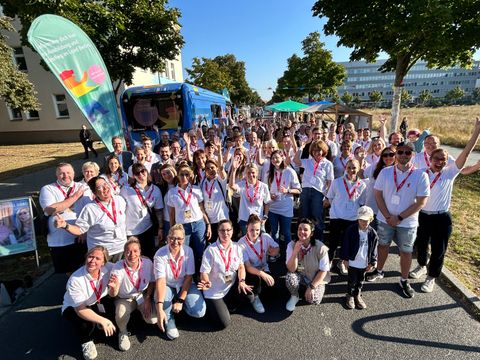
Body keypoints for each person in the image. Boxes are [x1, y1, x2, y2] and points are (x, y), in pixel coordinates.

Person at [409, 118, 480, 292]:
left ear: (447, 161)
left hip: (442, 217)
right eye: (437, 159)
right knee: (422, 244)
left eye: (443, 159)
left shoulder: (450, 173)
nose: (440, 161)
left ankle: (431, 277)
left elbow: (465, 153)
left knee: (439, 249)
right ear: (430, 159)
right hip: (423, 215)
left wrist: (476, 132)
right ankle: (421, 266)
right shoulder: (422, 173)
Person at [367, 142, 430, 299]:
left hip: (407, 222)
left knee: (406, 252)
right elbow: (377, 195)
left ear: (413, 155)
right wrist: (388, 216)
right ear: (396, 153)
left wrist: (400, 217)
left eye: (407, 152)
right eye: (400, 152)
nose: (403, 155)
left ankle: (403, 280)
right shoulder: (386, 172)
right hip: (384, 219)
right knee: (382, 245)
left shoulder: (421, 175)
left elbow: (421, 202)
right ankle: (379, 270)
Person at [54, 176, 128, 262]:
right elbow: (79, 229)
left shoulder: (120, 200)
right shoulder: (90, 209)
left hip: (122, 248)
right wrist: (65, 225)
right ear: (94, 192)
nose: (105, 188)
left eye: (105, 184)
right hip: (102, 254)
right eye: (99, 187)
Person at [61, 246, 115, 360]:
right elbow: (80, 309)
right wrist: (102, 320)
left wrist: (142, 258)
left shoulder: (109, 268)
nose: (92, 261)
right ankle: (86, 341)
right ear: (86, 258)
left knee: (112, 315)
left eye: (97, 258)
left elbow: (124, 266)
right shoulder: (75, 279)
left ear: (104, 262)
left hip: (95, 302)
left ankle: (98, 325)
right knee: (86, 324)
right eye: (90, 257)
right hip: (74, 308)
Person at [197, 219, 253, 329]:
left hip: (229, 286)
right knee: (223, 323)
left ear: (232, 231)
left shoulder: (237, 247)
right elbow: (204, 272)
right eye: (222, 230)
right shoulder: (210, 250)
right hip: (214, 291)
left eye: (228, 230)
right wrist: (206, 281)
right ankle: (213, 307)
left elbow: (241, 266)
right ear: (218, 231)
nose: (225, 233)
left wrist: (242, 281)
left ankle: (225, 305)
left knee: (249, 296)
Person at [154, 224, 206, 339]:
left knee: (199, 312)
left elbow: (188, 277)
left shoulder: (188, 251)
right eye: (172, 238)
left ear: (184, 239)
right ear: (167, 238)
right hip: (167, 285)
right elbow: (161, 281)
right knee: (163, 299)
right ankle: (169, 320)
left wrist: (181, 300)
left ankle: (178, 306)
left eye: (179, 239)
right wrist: (159, 307)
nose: (175, 241)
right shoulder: (159, 254)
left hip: (184, 284)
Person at [108, 238, 156, 351]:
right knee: (120, 314)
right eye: (128, 251)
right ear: (124, 253)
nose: (132, 254)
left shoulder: (148, 263)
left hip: (141, 295)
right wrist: (113, 289)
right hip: (124, 298)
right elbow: (113, 294)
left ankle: (140, 313)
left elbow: (152, 282)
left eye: (135, 251)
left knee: (152, 319)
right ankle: (123, 332)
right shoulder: (118, 268)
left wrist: (148, 298)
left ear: (140, 252)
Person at [39, 163, 86, 274]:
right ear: (57, 175)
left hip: (81, 236)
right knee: (68, 272)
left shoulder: (82, 187)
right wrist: (75, 197)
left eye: (68, 172)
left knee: (84, 269)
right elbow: (50, 210)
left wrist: (61, 205)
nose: (65, 176)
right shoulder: (48, 189)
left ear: (74, 173)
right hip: (60, 240)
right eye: (62, 173)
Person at [324, 159, 367, 275]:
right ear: (345, 168)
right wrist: (337, 208)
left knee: (346, 242)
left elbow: (362, 202)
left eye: (354, 168)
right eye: (349, 167)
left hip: (352, 217)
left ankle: (342, 262)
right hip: (337, 216)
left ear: (358, 169)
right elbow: (330, 197)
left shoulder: (362, 185)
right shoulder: (337, 182)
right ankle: (329, 260)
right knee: (333, 241)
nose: (351, 170)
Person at [167, 164, 210, 270]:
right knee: (184, 253)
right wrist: (172, 230)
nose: (184, 177)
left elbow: (202, 209)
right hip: (182, 227)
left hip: (198, 224)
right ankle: (187, 275)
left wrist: (208, 224)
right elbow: (172, 214)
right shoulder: (172, 192)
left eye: (187, 174)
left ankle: (200, 274)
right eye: (182, 174)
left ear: (190, 176)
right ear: (177, 176)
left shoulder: (196, 190)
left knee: (200, 251)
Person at [285, 218, 330, 312]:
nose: (302, 232)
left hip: (315, 277)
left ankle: (308, 289)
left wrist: (312, 287)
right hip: (301, 275)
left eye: (305, 230)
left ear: (312, 233)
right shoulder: (291, 245)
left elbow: (323, 270)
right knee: (290, 279)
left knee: (315, 299)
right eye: (299, 229)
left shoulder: (320, 247)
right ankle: (295, 296)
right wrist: (295, 252)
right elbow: (291, 269)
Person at [120, 163, 164, 259]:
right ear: (134, 176)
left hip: (147, 229)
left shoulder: (155, 190)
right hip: (131, 232)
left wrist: (160, 228)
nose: (140, 175)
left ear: (146, 172)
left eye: (142, 171)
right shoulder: (126, 190)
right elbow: (120, 210)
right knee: (133, 258)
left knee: (149, 256)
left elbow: (159, 211)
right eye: (137, 173)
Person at [293, 139, 334, 241]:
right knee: (303, 217)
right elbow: (296, 160)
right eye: (314, 150)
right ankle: (302, 241)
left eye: (319, 150)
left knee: (317, 219)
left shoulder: (327, 164)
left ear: (323, 151)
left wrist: (327, 197)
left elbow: (330, 182)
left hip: (318, 193)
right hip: (306, 191)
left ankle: (318, 243)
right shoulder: (308, 162)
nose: (317, 153)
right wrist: (301, 148)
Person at [238, 215, 279, 313]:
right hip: (251, 271)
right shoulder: (241, 243)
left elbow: (276, 248)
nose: (255, 233)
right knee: (256, 281)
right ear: (246, 227)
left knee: (273, 291)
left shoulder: (265, 236)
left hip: (264, 268)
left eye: (257, 230)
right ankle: (255, 297)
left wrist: (274, 252)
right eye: (252, 230)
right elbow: (247, 267)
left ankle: (258, 291)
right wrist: (262, 274)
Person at [341, 206, 378, 309]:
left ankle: (357, 294)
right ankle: (350, 295)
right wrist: (345, 259)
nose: (364, 222)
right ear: (358, 219)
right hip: (353, 261)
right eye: (361, 220)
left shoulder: (373, 233)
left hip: (364, 262)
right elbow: (345, 245)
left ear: (371, 219)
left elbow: (374, 249)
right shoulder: (351, 230)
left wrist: (373, 262)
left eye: (367, 220)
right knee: (352, 280)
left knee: (360, 280)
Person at [264, 149, 301, 250]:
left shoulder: (290, 171)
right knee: (274, 231)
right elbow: (264, 189)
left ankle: (289, 253)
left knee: (286, 232)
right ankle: (275, 252)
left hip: (286, 208)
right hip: (273, 207)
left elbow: (298, 190)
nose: (275, 160)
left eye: (277, 157)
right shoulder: (268, 173)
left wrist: (287, 190)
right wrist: (269, 195)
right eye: (273, 158)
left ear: (282, 157)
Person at [229, 162, 271, 236]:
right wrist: (234, 170)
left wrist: (265, 216)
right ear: (246, 174)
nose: (251, 175)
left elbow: (267, 202)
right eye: (248, 173)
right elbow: (231, 186)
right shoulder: (242, 184)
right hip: (244, 220)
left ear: (257, 173)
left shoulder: (263, 186)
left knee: (261, 243)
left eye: (253, 172)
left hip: (258, 220)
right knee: (246, 244)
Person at [200, 159, 229, 243]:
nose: (210, 170)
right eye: (207, 168)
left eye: (212, 167)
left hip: (221, 219)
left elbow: (222, 171)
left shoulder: (220, 180)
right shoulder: (203, 182)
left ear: (217, 168)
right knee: (212, 244)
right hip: (209, 220)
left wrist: (219, 150)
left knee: (223, 243)